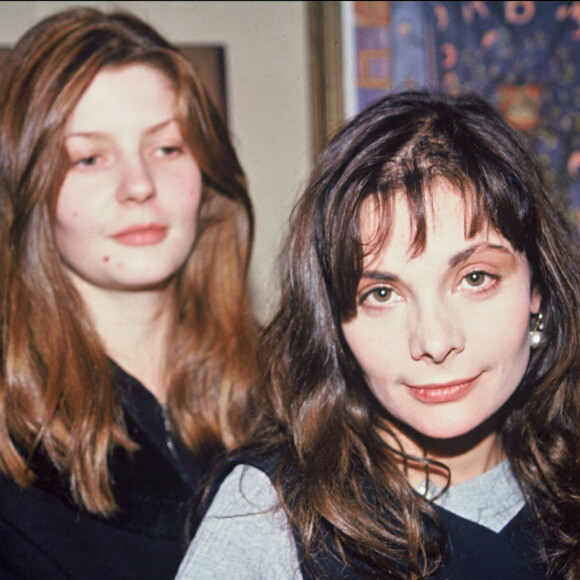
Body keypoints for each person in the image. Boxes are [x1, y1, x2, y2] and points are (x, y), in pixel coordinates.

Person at [176, 90, 580, 579]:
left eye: (475, 278)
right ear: (333, 320)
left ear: (537, 289)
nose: (433, 341)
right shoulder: (270, 515)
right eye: (382, 294)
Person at [0, 7, 258, 580]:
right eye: (89, 158)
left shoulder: (291, 397)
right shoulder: (12, 439)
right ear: (28, 186)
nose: (139, 185)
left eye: (167, 148)